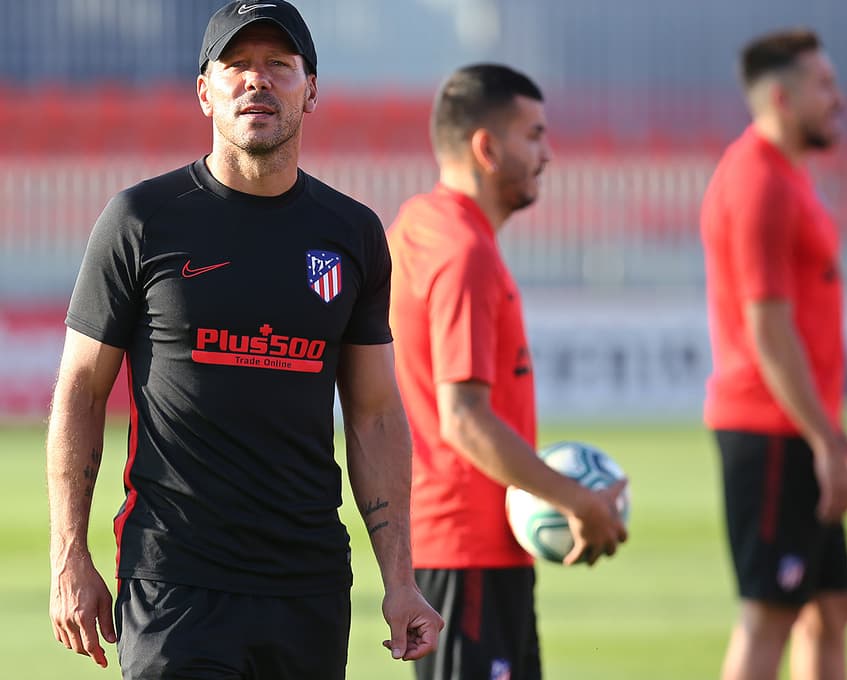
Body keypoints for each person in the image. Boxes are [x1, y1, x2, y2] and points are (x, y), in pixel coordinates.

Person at [46, 1, 442, 677]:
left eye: (278, 65)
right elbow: (80, 391)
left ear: (310, 89)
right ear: (205, 91)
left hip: (308, 587)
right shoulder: (142, 219)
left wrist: (401, 580)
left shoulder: (351, 234)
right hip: (175, 583)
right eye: (237, 65)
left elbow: (375, 415)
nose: (257, 79)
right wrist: (69, 556)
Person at [386, 63, 628, 680]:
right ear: (487, 149)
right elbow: (464, 420)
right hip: (469, 553)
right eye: (535, 135)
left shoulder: (421, 223)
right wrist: (579, 500)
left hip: (463, 548)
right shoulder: (463, 252)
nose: (548, 154)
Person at [700, 28, 847, 680]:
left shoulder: (787, 175)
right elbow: (767, 329)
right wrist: (825, 440)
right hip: (770, 427)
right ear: (782, 99)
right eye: (824, 86)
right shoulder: (758, 181)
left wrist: (828, 431)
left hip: (796, 423)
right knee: (770, 612)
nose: (838, 98)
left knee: (830, 607)